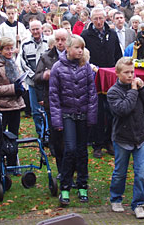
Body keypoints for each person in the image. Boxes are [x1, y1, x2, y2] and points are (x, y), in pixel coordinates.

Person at [49, 35, 97, 206]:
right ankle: (65, 186)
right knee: (69, 149)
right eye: (77, 47)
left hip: (82, 114)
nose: (80, 51)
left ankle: (82, 184)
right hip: (67, 114)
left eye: (82, 48)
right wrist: (57, 121)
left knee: (82, 151)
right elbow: (53, 97)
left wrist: (91, 115)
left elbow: (92, 93)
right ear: (68, 48)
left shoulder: (86, 67)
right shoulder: (57, 68)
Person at [107, 57, 144, 219]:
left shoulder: (138, 87)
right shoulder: (113, 92)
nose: (130, 76)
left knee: (142, 172)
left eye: (132, 72)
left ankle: (139, 204)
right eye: (126, 73)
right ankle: (115, 198)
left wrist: (143, 90)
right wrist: (134, 90)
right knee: (120, 172)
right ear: (117, 73)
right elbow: (124, 109)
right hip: (122, 138)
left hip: (141, 136)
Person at [81, 7, 122, 158]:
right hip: (94, 77)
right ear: (91, 20)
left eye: (101, 18)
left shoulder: (112, 34)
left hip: (111, 77)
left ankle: (109, 140)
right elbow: (82, 57)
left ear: (105, 18)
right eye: (95, 19)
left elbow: (118, 54)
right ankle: (97, 144)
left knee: (112, 110)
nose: (98, 22)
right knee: (97, 111)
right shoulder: (86, 35)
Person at [0, 36, 26, 165]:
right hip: (2, 106)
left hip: (15, 105)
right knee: (1, 137)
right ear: (0, 50)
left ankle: (13, 162)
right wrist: (13, 88)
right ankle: (0, 163)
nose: (9, 52)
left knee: (14, 136)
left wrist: (20, 87)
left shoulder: (13, 62)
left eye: (11, 49)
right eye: (6, 49)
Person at [33, 28, 68, 173]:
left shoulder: (73, 55)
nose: (60, 43)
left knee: (71, 139)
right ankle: (61, 169)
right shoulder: (46, 57)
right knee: (57, 137)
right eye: (57, 40)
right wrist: (44, 76)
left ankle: (71, 169)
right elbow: (36, 77)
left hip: (70, 102)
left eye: (63, 40)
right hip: (52, 102)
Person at [21, 20, 48, 136]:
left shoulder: (48, 42)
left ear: (42, 28)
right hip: (32, 83)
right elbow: (23, 63)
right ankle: (40, 133)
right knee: (35, 110)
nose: (36, 31)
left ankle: (48, 133)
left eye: (38, 29)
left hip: (47, 82)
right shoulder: (25, 44)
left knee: (48, 109)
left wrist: (44, 75)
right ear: (30, 30)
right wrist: (35, 76)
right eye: (33, 29)